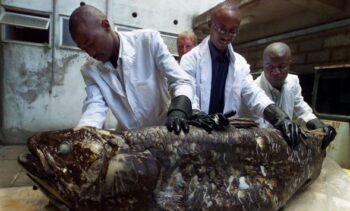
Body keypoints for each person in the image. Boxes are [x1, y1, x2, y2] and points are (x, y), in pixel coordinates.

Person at [180, 1, 301, 147]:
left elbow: (254, 95)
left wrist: (280, 118)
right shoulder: (190, 59)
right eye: (222, 29)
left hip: (226, 136)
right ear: (210, 25)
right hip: (197, 134)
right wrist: (197, 115)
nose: (226, 36)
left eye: (233, 31)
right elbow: (187, 92)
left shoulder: (240, 63)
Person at [69, 2, 193, 134]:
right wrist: (83, 136)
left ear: (106, 26)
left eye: (91, 43)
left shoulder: (148, 41)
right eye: (84, 49)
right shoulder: (90, 70)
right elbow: (95, 107)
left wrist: (179, 109)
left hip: (165, 131)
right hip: (130, 140)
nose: (91, 53)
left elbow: (181, 81)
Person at [240, 42, 336, 149]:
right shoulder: (252, 91)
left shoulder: (293, 82)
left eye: (281, 66)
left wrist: (318, 125)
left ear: (289, 63)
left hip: (284, 147)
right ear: (263, 64)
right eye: (270, 66)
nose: (276, 72)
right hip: (259, 147)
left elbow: (302, 109)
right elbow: (254, 129)